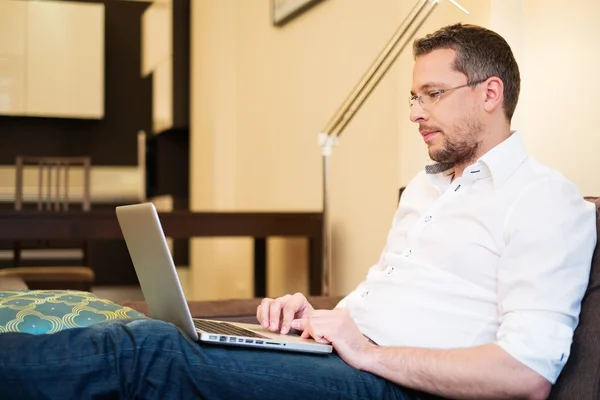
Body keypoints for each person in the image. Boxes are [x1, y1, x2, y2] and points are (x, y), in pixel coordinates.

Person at [0, 23, 596, 400]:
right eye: (413, 97)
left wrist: (368, 352)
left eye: (432, 94)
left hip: (394, 385)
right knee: (148, 330)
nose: (415, 112)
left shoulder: (546, 200)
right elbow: (384, 301)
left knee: (146, 355)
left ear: (490, 94)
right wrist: (318, 317)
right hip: (351, 360)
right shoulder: (427, 187)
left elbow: (525, 374)